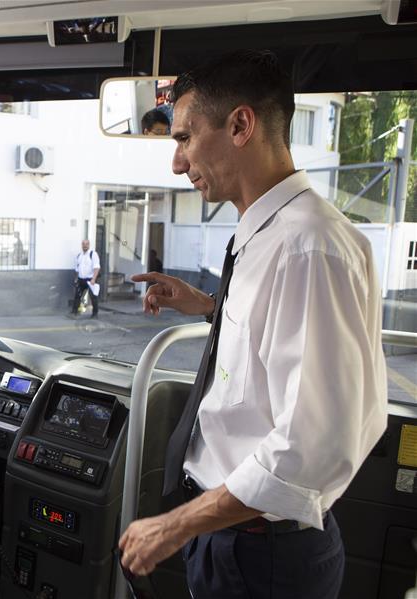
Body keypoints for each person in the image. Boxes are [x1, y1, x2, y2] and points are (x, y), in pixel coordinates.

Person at [119, 50, 387, 599]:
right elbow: (276, 335)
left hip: (263, 554)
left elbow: (309, 446)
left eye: (185, 138)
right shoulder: (263, 231)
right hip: (231, 537)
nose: (177, 162)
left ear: (240, 125)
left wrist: (177, 524)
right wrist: (211, 307)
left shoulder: (309, 247)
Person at [72, 239, 100, 317]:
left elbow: (96, 267)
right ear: (81, 245)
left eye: (86, 244)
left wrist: (94, 279)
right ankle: (74, 311)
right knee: (77, 296)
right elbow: (77, 268)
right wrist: (76, 278)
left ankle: (95, 314)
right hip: (81, 279)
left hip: (90, 279)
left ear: (89, 245)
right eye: (83, 244)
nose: (85, 245)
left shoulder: (93, 254)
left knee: (93, 297)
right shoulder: (79, 255)